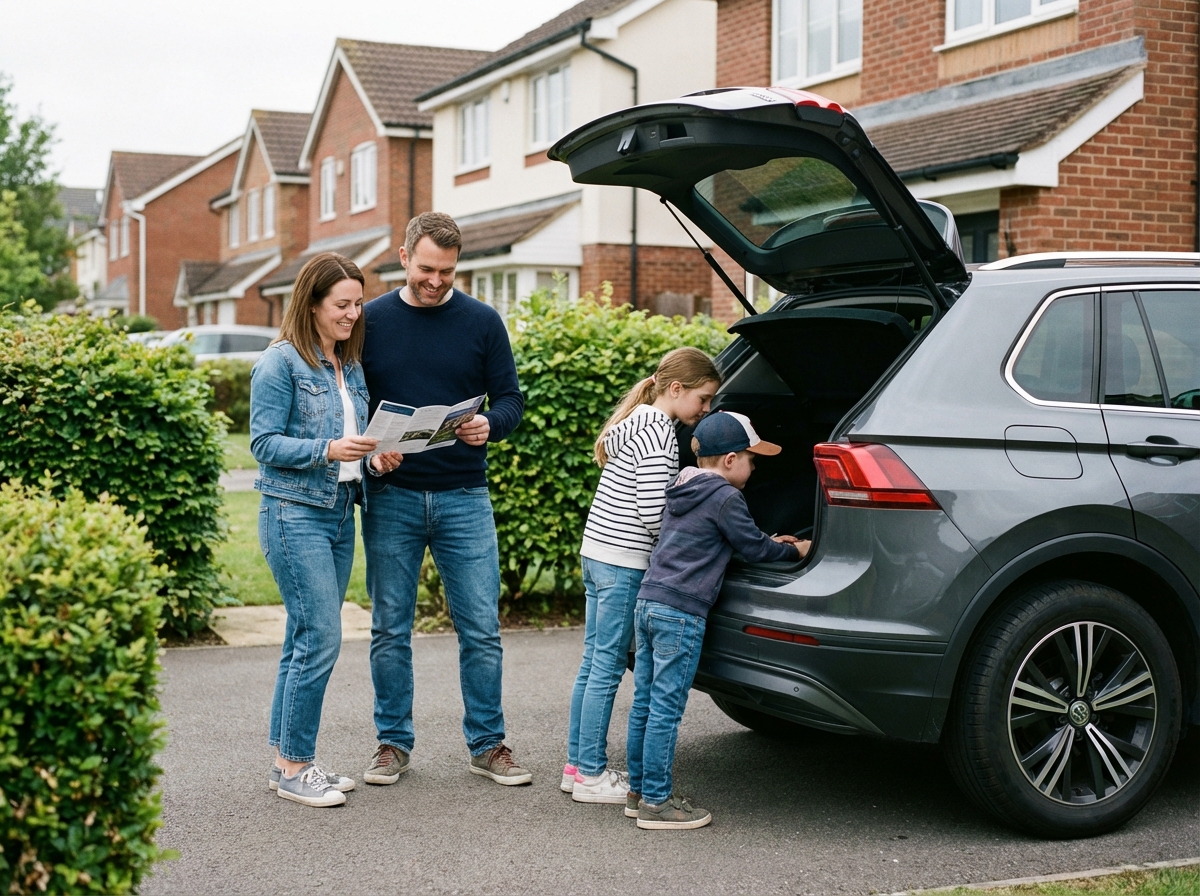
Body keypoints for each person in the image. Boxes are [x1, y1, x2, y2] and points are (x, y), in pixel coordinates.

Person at [359, 212, 527, 786]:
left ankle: (488, 744)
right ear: (404, 256)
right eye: (427, 269)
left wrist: (489, 425)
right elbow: (351, 405)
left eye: (448, 272)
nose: (435, 281)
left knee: (481, 628)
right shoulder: (371, 321)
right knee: (389, 629)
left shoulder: (482, 321)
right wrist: (371, 454)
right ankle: (391, 743)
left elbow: (510, 400)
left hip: (464, 496)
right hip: (392, 497)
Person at [250, 252, 402, 808]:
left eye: (358, 304)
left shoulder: (349, 365)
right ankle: (297, 767)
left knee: (303, 637)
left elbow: (353, 444)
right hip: (293, 514)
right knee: (320, 638)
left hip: (340, 510)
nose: (353, 314)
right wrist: (327, 449)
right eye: (342, 304)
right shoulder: (280, 363)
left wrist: (374, 459)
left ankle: (284, 762)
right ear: (311, 303)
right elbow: (263, 443)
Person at [626, 411, 811, 829]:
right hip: (681, 613)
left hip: (649, 602)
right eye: (751, 458)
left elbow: (718, 538)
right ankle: (657, 803)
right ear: (730, 460)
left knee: (646, 703)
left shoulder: (682, 487)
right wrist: (793, 549)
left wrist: (762, 539)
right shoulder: (726, 496)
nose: (754, 467)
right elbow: (755, 549)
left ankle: (638, 792)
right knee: (667, 709)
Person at [563, 348, 721, 805]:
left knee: (594, 662)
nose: (706, 409)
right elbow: (652, 512)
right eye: (703, 398)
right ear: (676, 388)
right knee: (608, 667)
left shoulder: (635, 420)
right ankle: (591, 775)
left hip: (597, 553)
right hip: (624, 561)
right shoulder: (658, 433)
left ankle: (577, 766)